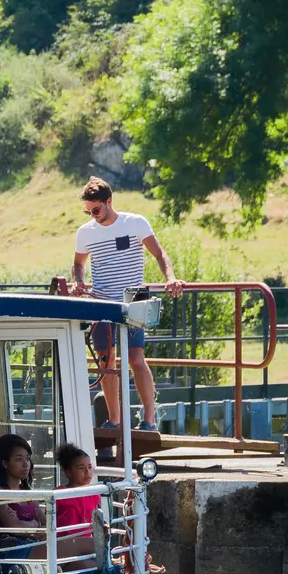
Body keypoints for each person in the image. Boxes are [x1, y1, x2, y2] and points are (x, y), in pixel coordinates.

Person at [72, 176, 185, 431]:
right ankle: (115, 420)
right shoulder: (85, 232)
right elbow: (78, 264)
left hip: (134, 297)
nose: (92, 216)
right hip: (101, 300)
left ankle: (149, 419)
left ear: (109, 202)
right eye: (88, 212)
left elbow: (159, 253)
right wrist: (78, 282)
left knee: (136, 358)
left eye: (96, 210)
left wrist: (170, 278)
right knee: (106, 362)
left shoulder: (135, 223)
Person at [0, 434, 44, 542]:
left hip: (33, 545)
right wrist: (35, 524)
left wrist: (30, 526)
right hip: (9, 549)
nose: (26, 464)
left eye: (28, 458)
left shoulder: (26, 491)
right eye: (19, 459)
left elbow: (47, 523)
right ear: (5, 463)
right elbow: (15, 528)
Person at [53, 442, 98, 539]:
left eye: (89, 467)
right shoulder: (58, 494)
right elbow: (48, 522)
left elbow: (96, 523)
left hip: (86, 542)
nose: (87, 472)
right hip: (63, 543)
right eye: (81, 468)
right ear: (68, 472)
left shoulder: (94, 494)